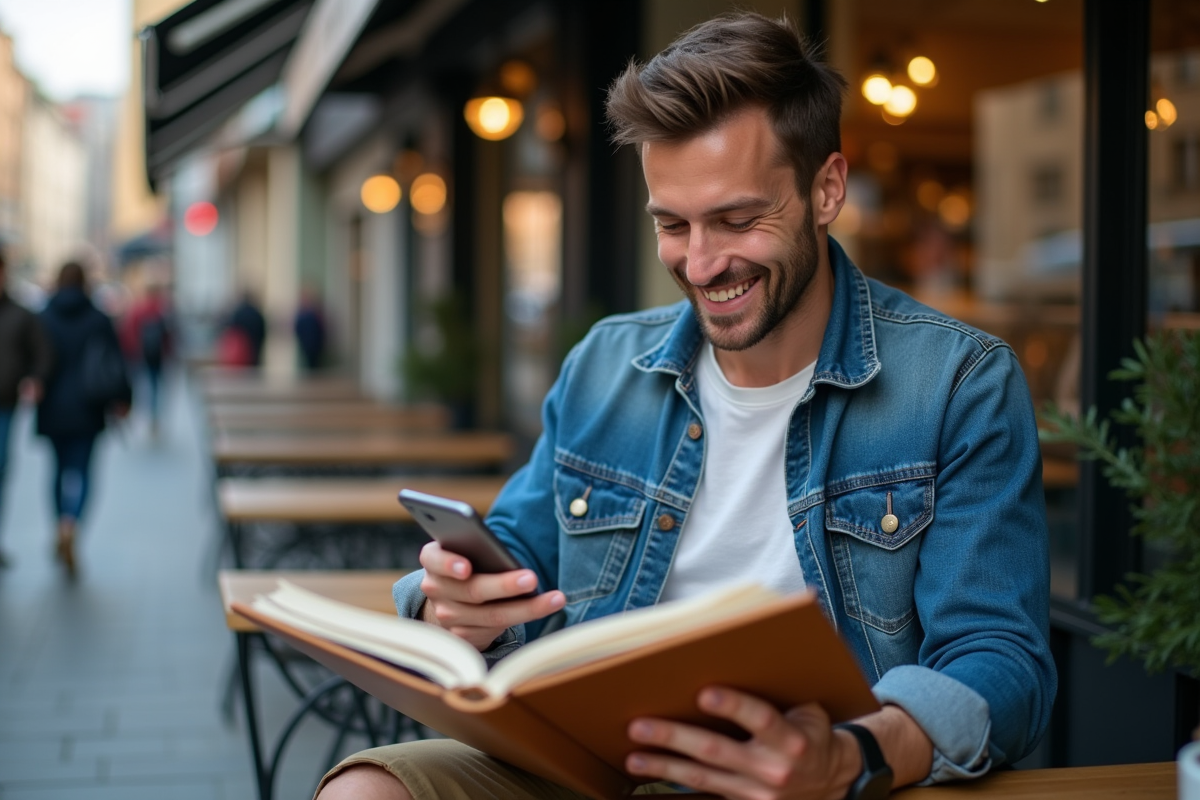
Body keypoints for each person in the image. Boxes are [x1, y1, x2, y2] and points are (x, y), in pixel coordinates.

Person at [316, 12, 1055, 800]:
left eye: (738, 220)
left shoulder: (958, 383)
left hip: (811, 784)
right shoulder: (603, 364)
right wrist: (455, 603)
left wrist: (849, 757)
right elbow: (516, 554)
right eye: (673, 225)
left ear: (825, 189)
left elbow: (1000, 665)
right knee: (365, 791)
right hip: (593, 769)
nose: (701, 265)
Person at [36, 261, 131, 578]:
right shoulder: (99, 318)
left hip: (52, 407)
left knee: (58, 470)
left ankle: (59, 523)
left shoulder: (44, 316)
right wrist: (125, 400)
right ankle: (71, 523)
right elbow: (117, 362)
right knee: (84, 471)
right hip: (89, 408)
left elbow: (35, 361)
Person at [0, 253, 54, 568]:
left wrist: (35, 379)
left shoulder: (21, 315)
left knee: (1, 469)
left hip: (4, 405)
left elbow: (42, 353)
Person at [120, 281, 173, 437]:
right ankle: (154, 418)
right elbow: (169, 335)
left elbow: (128, 331)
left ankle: (136, 414)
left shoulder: (138, 308)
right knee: (155, 387)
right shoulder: (163, 309)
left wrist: (131, 351)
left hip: (139, 355)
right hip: (157, 356)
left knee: (137, 386)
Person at [224, 290, 266, 367]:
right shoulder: (257, 313)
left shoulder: (238, 313)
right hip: (255, 350)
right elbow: (263, 333)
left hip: (241, 352)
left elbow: (233, 332)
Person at [293, 286, 327, 371]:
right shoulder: (308, 314)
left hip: (313, 345)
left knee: (313, 366)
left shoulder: (311, 314)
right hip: (309, 344)